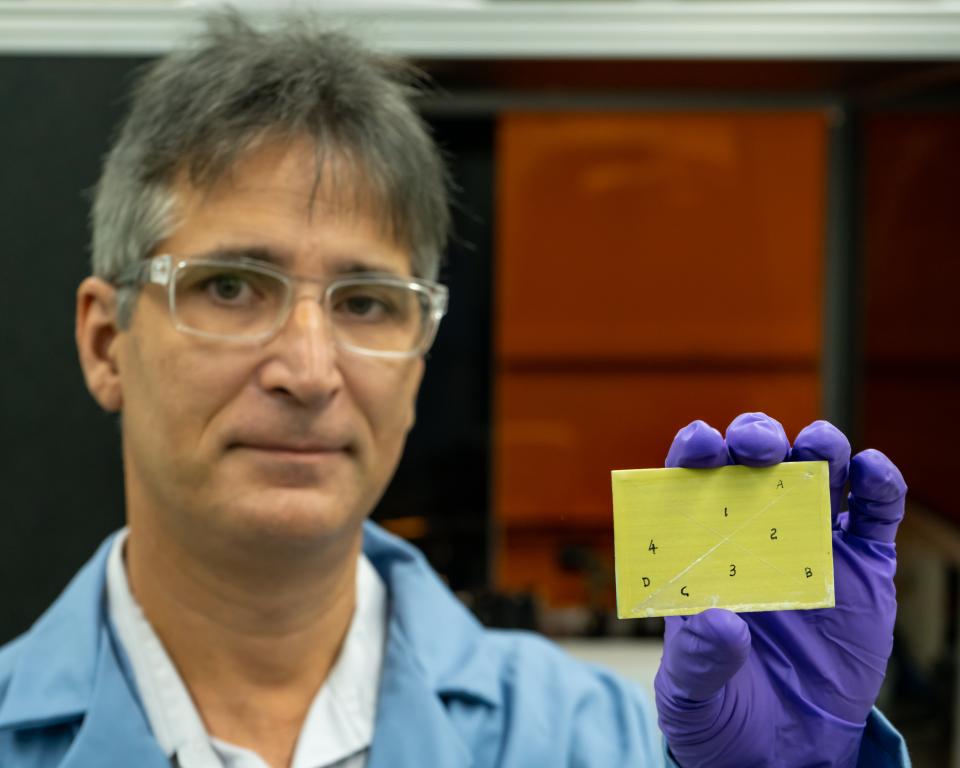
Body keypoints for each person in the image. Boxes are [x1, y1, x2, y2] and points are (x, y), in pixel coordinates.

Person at [0, 10, 910, 768]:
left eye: (366, 302)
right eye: (232, 288)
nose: (310, 372)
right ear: (105, 342)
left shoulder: (598, 741)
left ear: (420, 354)